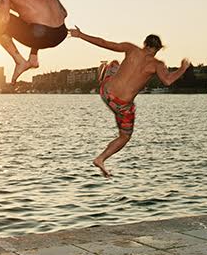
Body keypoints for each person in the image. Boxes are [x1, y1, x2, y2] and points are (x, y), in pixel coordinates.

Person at [70, 26, 190, 178]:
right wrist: (183, 68)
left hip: (106, 92)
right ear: (158, 49)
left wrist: (80, 35)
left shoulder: (131, 49)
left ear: (144, 43)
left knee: (113, 63)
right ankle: (100, 159)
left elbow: (103, 42)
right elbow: (167, 80)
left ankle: (105, 72)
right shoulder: (157, 64)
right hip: (121, 105)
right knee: (125, 136)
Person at [0, 0, 69, 83]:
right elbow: (64, 13)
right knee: (33, 23)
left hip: (43, 35)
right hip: (61, 33)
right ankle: (33, 58)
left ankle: (19, 61)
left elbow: (3, 19)